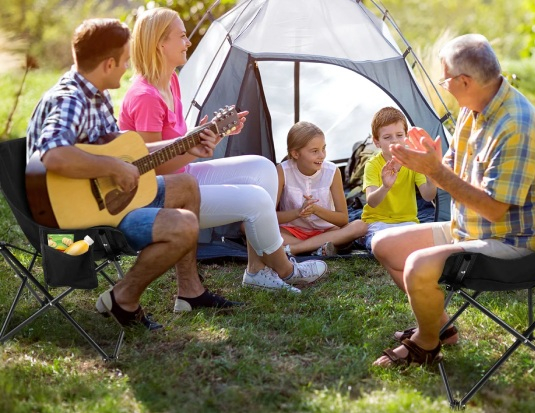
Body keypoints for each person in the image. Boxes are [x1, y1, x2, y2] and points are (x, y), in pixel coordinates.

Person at [26, 18, 243, 331]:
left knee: (186, 185)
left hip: (104, 200)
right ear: (109, 63)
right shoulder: (70, 99)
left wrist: (188, 144)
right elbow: (55, 154)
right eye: (125, 61)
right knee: (184, 225)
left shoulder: (96, 95)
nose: (129, 67)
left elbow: (127, 153)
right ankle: (124, 297)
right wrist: (113, 167)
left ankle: (190, 292)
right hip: (77, 226)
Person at [371, 34, 535, 367]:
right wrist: (431, 159)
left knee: (417, 264)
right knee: (383, 244)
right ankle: (441, 327)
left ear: (464, 81)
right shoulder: (474, 107)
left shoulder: (515, 127)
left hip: (509, 242)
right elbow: (454, 164)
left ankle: (426, 343)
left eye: (445, 80)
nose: (444, 87)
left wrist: (436, 172)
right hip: (468, 229)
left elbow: (494, 209)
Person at [119, 7, 328, 298]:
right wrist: (195, 149)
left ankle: (256, 270)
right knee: (255, 199)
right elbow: (152, 168)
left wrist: (207, 136)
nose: (188, 42)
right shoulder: (145, 98)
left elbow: (175, 146)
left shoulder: (171, 82)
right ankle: (286, 269)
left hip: (185, 175)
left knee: (263, 168)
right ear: (160, 44)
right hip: (163, 195)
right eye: (181, 36)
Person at [276, 121, 368, 256]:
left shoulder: (332, 171)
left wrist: (316, 210)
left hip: (326, 231)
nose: (322, 155)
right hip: (292, 231)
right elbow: (270, 217)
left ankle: (296, 249)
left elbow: (343, 219)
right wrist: (298, 212)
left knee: (360, 226)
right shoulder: (282, 171)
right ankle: (317, 247)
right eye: (315, 151)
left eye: (323, 148)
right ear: (295, 153)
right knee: (249, 228)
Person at [360, 107, 437, 251]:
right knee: (384, 245)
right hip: (379, 223)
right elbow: (372, 201)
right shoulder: (373, 165)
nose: (394, 141)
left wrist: (429, 174)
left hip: (407, 223)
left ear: (406, 137)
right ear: (377, 142)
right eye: (387, 137)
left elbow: (428, 196)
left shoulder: (413, 161)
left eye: (399, 135)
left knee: (424, 242)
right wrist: (385, 187)